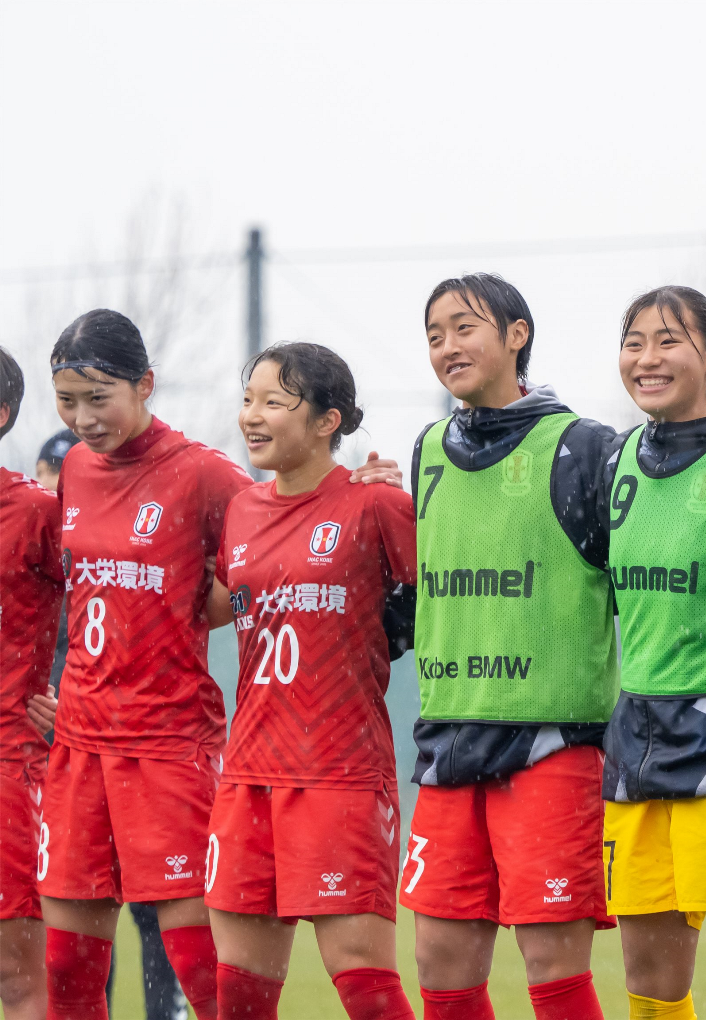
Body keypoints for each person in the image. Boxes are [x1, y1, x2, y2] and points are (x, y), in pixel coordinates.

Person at [32, 309, 400, 1020]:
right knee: (67, 966)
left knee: (205, 970)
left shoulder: (205, 475)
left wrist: (361, 493)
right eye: (67, 401)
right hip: (79, 746)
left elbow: (274, 552)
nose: (82, 419)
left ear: (145, 385)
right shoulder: (75, 468)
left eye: (98, 398)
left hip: (169, 744)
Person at [400, 274, 619, 1020]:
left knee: (552, 969)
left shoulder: (585, 447)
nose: (447, 346)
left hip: (550, 744)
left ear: (516, 335)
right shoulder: (428, 448)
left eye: (464, 328)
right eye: (435, 335)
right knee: (441, 967)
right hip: (449, 743)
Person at [204, 342, 417, 1020]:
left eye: (274, 402)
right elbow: (203, 605)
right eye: (248, 400)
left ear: (328, 421)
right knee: (239, 994)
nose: (252, 416)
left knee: (367, 990)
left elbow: (445, 599)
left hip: (339, 774)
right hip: (247, 775)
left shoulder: (375, 503)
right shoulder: (242, 510)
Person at [600, 287, 706, 1020]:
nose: (648, 358)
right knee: (649, 974)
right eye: (634, 343)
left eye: (668, 341)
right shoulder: (617, 460)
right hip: (635, 742)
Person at [33, 425, 189, 1020]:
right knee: (81, 920)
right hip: (56, 767)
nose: (57, 491)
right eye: (49, 477)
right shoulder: (29, 561)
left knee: (155, 909)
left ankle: (165, 1013)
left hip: (135, 754)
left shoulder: (125, 565)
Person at [0, 348, 63, 1020]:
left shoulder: (36, 514)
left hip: (8, 777)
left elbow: (130, 599)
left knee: (21, 982)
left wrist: (88, 700)